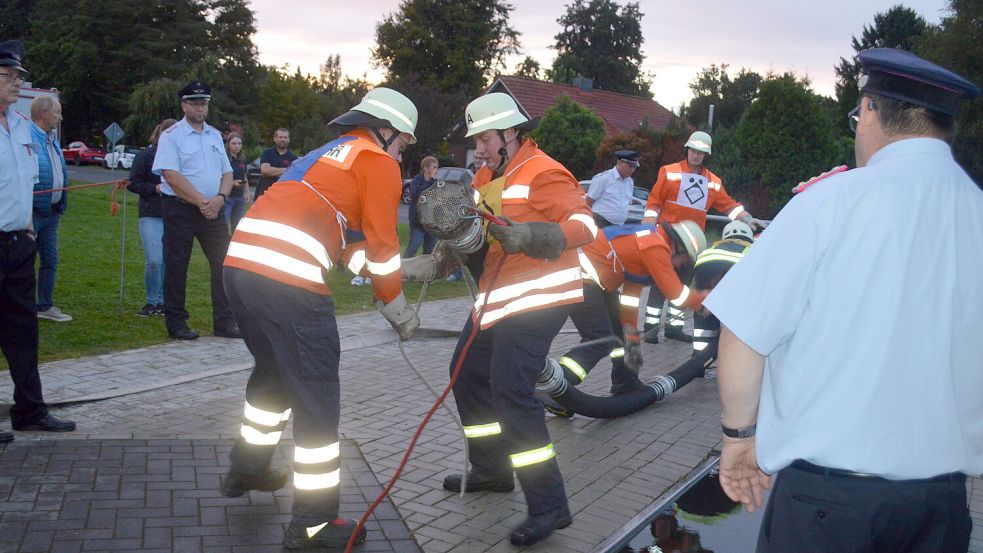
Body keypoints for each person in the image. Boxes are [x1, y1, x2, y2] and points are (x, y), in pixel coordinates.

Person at [706, 48, 982, 552]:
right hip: (941, 510)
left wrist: (740, 438)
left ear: (871, 110)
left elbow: (744, 330)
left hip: (828, 509)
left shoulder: (827, 204)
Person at [220, 87, 420, 550]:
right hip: (289, 281)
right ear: (386, 130)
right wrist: (396, 305)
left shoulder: (328, 154)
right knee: (316, 400)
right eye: (404, 143)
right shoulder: (377, 160)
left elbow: (342, 241)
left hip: (241, 268)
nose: (403, 153)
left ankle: (247, 469)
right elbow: (384, 243)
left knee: (272, 375)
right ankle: (313, 524)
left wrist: (382, 269)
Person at [440, 92, 597, 547]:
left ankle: (550, 506)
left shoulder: (545, 171)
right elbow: (477, 233)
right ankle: (491, 469)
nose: (480, 149)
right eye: (476, 141)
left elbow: (585, 228)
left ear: (511, 133)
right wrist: (439, 257)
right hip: (499, 297)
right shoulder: (488, 175)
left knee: (512, 393)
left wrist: (530, 235)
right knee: (465, 374)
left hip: (542, 299)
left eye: (486, 139)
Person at [0, 39, 76, 443]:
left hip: (17, 242)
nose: (17, 83)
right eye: (9, 76)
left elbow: (24, 181)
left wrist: (27, 228)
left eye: (18, 77)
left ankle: (29, 410)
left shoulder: (18, 126)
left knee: (24, 331)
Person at [557, 220, 707, 397]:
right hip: (579, 277)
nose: (682, 265)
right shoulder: (655, 245)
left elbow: (631, 296)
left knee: (625, 336)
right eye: (686, 259)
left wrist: (630, 329)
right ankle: (557, 385)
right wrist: (705, 301)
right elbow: (677, 294)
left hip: (596, 283)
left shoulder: (648, 245)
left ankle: (626, 383)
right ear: (678, 247)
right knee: (601, 339)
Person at [641, 131, 756, 344]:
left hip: (691, 244)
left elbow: (727, 205)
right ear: (688, 150)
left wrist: (745, 217)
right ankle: (650, 328)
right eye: (693, 150)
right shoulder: (669, 172)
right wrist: (649, 226)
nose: (696, 155)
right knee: (661, 283)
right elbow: (654, 201)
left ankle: (673, 328)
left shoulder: (713, 182)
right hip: (667, 238)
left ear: (705, 155)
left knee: (684, 285)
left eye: (700, 152)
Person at [152, 80, 239, 340]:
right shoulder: (172, 136)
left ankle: (224, 321)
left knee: (224, 263)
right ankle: (177, 322)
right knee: (177, 265)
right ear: (184, 105)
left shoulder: (214, 135)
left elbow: (227, 171)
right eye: (195, 103)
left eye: (204, 103)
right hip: (181, 209)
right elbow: (171, 175)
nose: (200, 108)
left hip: (213, 209)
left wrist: (221, 197)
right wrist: (203, 202)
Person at [127, 118, 176, 317]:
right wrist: (154, 188)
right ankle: (151, 301)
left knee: (167, 261)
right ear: (159, 135)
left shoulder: (178, 157)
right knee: (154, 260)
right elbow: (133, 183)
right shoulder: (145, 156)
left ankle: (163, 303)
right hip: (150, 213)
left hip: (173, 214)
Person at [29, 95, 71, 322]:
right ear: (44, 113)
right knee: (22, 261)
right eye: (57, 112)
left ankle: (44, 305)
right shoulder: (28, 138)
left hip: (52, 212)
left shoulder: (52, 139)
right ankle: (20, 307)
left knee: (50, 260)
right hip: (32, 212)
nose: (60, 117)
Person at [690, 220, 753, 356]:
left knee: (705, 314)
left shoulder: (711, 248)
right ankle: (733, 355)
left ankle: (699, 357)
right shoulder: (752, 249)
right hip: (735, 280)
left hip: (703, 274)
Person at [585, 149, 641, 228]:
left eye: (634, 166)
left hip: (619, 225)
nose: (632, 169)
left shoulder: (629, 182)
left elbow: (624, 200)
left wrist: (634, 201)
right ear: (619, 162)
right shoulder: (604, 178)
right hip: (600, 222)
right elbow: (588, 201)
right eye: (630, 165)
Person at [403, 155, 438, 258]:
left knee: (429, 250)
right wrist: (431, 180)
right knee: (413, 247)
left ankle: (424, 272)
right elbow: (418, 194)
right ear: (425, 168)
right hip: (418, 222)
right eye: (434, 167)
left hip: (431, 223)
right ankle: (403, 268)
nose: (436, 170)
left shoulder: (436, 182)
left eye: (437, 167)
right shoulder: (417, 181)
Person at [254, 128, 297, 200]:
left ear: (288, 140)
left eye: (285, 137)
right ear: (275, 138)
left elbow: (293, 177)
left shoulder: (293, 158)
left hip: (282, 197)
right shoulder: (267, 153)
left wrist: (273, 171)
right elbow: (265, 171)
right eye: (280, 137)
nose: (282, 139)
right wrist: (286, 170)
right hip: (264, 195)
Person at [224, 131, 248, 230]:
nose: (237, 146)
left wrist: (246, 192)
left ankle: (233, 244)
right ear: (228, 144)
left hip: (240, 197)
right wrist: (232, 183)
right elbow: (220, 177)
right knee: (224, 224)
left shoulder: (242, 160)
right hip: (228, 197)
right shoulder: (224, 159)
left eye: (239, 143)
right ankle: (222, 244)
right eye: (234, 143)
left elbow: (245, 177)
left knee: (238, 226)